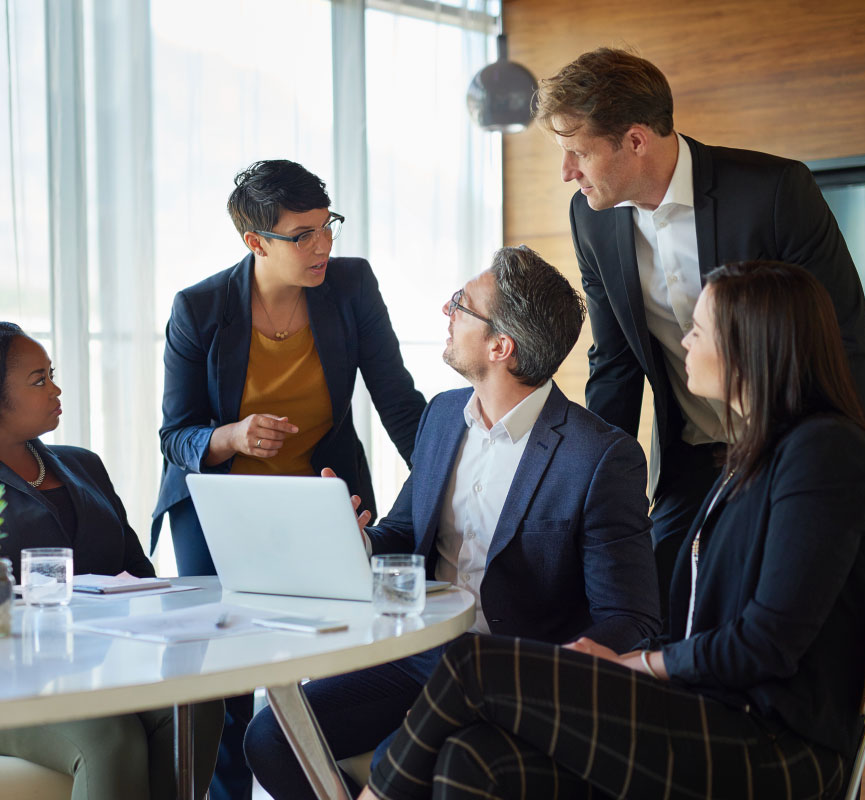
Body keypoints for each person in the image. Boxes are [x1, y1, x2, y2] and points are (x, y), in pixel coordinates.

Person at [359, 260, 865, 800]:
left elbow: (765, 645)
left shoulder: (826, 453)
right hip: (705, 709)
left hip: (772, 744)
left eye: (699, 329)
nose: (684, 341)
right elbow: (695, 621)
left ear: (753, 345)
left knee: (471, 665)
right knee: (469, 760)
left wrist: (633, 663)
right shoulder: (751, 455)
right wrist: (619, 665)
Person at [245, 245, 661, 799]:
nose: (447, 312)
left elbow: (628, 617)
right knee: (272, 737)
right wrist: (354, 540)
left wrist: (547, 675)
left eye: (460, 305)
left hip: (507, 677)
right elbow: (401, 533)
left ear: (500, 345)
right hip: (416, 657)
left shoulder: (599, 456)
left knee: (409, 761)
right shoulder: (443, 415)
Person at [539, 47, 865, 607]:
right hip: (691, 455)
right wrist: (592, 488)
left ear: (636, 140)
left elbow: (843, 338)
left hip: (800, 449)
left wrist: (841, 471)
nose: (567, 172)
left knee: (775, 624)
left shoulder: (773, 192)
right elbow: (615, 363)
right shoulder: (590, 218)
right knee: (655, 606)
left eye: (578, 153)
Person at [155, 159, 427, 799]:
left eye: (326, 225)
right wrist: (232, 436)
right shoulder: (199, 309)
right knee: (223, 675)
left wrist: (449, 477)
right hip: (221, 504)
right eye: (301, 235)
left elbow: (396, 398)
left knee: (345, 646)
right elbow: (176, 434)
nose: (323, 245)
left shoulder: (351, 286)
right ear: (255, 242)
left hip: (319, 492)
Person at [0, 318, 222, 800]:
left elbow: (139, 576)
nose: (56, 388)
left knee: (196, 703)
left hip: (103, 670)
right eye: (39, 380)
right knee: (110, 737)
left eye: (52, 374)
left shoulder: (84, 465)